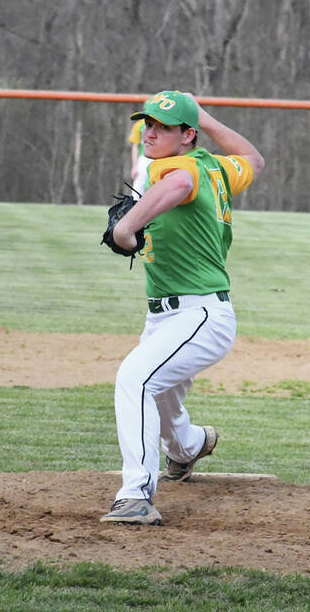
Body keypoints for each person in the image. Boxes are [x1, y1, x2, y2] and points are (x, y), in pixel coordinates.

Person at [100, 90, 265, 525]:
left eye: (163, 127)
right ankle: (191, 447)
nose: (150, 132)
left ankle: (135, 494)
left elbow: (178, 184)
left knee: (135, 380)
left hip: (199, 315)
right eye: (148, 123)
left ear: (186, 136)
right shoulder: (217, 166)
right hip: (168, 315)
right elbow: (254, 159)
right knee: (165, 399)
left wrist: (126, 228)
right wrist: (206, 117)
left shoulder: (182, 168)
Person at [128, 119, 153, 199]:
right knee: (138, 185)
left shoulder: (164, 121)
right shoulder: (139, 124)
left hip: (162, 157)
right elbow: (135, 146)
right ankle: (133, 207)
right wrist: (134, 166)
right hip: (144, 158)